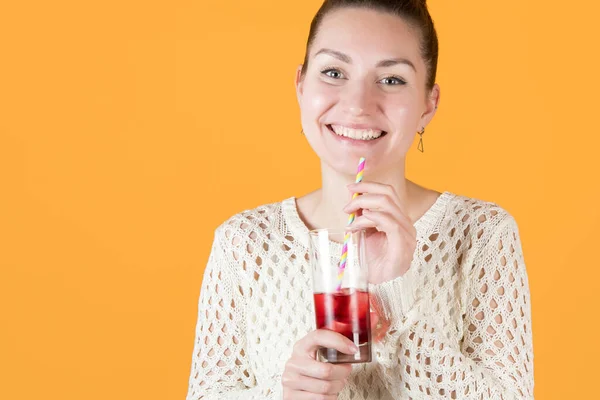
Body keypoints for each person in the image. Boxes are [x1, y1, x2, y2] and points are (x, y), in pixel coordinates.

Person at [185, 0, 534, 398]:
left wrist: (397, 289)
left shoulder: (481, 235)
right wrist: (285, 393)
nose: (358, 105)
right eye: (334, 72)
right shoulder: (245, 243)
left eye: (391, 79)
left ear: (428, 104)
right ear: (301, 86)